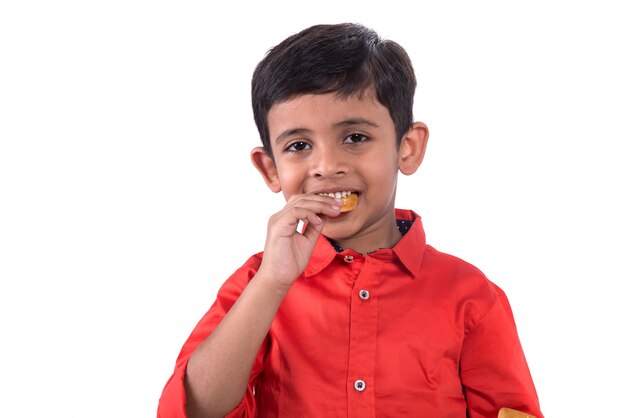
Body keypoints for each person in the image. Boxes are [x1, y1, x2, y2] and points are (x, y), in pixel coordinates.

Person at [157, 23, 543, 418]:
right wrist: (272, 282)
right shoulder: (258, 284)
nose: (326, 166)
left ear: (406, 148)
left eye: (355, 137)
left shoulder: (471, 296)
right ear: (270, 168)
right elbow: (193, 410)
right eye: (299, 146)